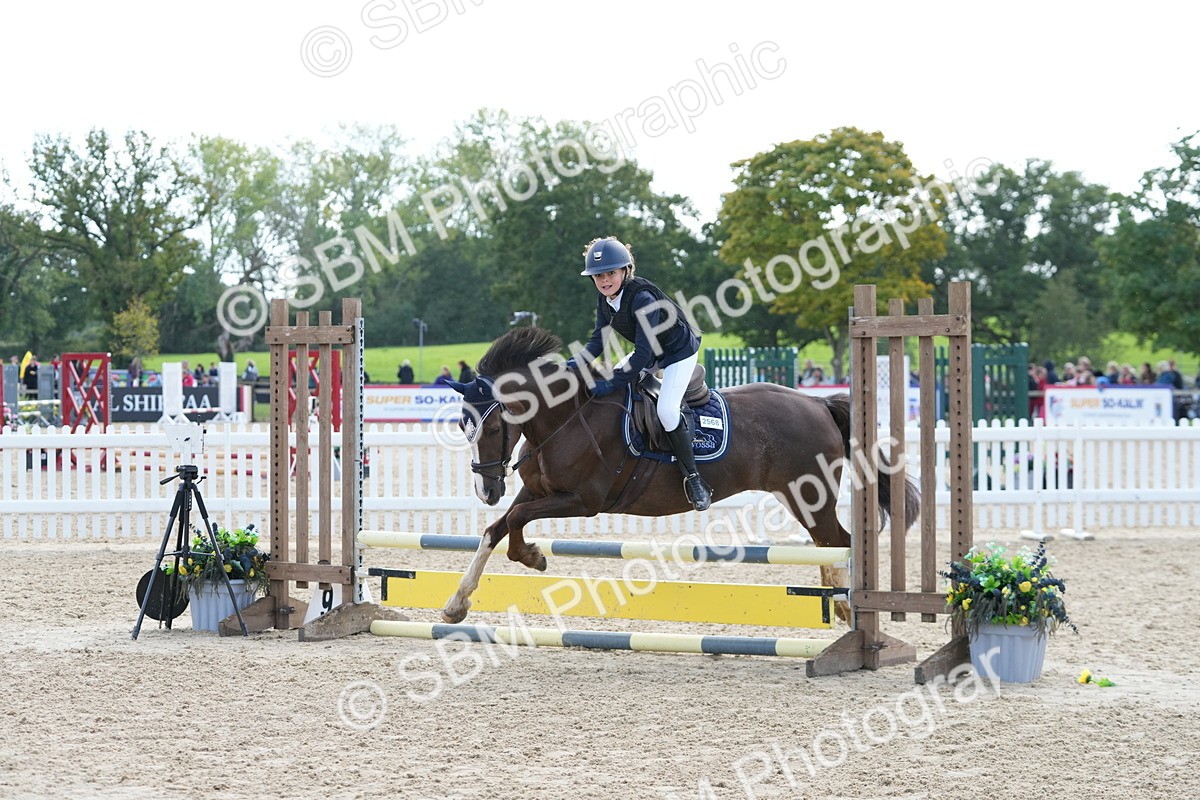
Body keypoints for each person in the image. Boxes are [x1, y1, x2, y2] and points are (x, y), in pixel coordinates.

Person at [570, 235, 711, 511]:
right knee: (618, 391)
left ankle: (694, 479)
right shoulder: (605, 300)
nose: (604, 280)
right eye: (598, 276)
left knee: (667, 411)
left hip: (678, 352)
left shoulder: (642, 299)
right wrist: (570, 365)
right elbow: (597, 341)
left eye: (610, 273)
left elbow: (642, 356)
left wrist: (612, 382)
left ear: (625, 271)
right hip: (652, 351)